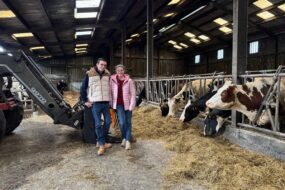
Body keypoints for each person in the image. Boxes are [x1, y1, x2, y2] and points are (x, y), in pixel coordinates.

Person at [80, 58, 112, 156]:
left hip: (106, 102)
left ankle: (101, 140)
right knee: (98, 124)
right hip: (95, 103)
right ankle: (102, 144)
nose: (103, 66)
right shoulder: (89, 73)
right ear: (97, 64)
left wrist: (111, 100)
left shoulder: (108, 74)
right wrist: (85, 100)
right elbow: (83, 88)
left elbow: (110, 88)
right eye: (101, 64)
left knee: (108, 121)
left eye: (105, 65)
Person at [110, 64, 136, 150]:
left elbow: (133, 94)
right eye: (118, 70)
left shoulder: (129, 81)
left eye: (121, 70)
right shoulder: (112, 80)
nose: (120, 72)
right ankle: (124, 137)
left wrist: (132, 105)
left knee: (128, 122)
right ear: (116, 71)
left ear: (124, 71)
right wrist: (111, 103)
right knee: (122, 123)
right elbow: (110, 92)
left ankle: (127, 140)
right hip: (119, 105)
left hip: (128, 105)